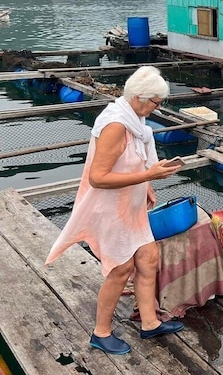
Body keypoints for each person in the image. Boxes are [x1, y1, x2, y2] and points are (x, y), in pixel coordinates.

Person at [45, 66, 185, 355]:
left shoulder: (135, 123)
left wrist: (147, 184)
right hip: (110, 209)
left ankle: (149, 322)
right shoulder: (116, 125)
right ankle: (101, 332)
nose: (157, 109)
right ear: (139, 98)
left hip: (129, 206)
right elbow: (98, 177)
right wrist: (149, 176)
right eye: (156, 103)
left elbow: (132, 160)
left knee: (148, 257)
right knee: (121, 269)